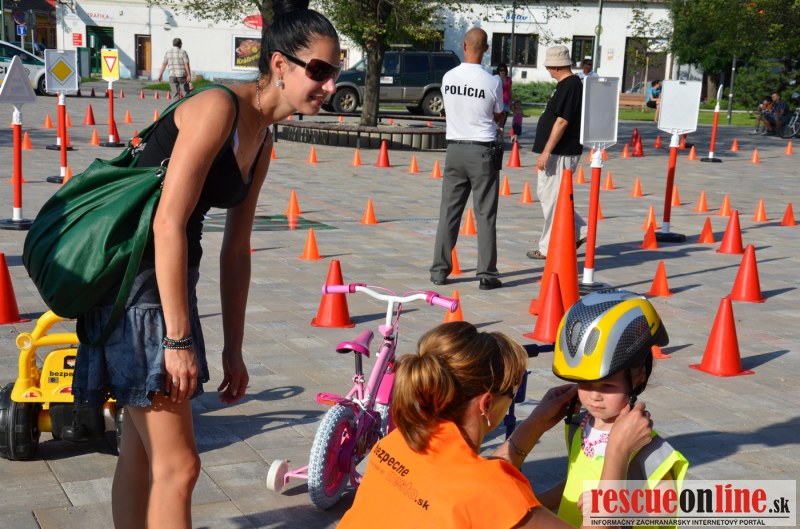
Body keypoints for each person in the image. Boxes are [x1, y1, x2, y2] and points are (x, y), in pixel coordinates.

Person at [71, 2, 340, 528]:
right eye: (319, 70)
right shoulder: (217, 107)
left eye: (334, 72)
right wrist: (177, 340)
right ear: (280, 64)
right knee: (180, 467)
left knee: (143, 453)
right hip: (135, 285)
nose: (329, 85)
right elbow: (167, 223)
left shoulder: (262, 139)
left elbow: (236, 249)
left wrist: (232, 348)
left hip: (169, 285)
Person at [337, 321, 655, 529]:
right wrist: (617, 452)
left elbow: (477, 493)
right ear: (486, 404)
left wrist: (534, 425)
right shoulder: (488, 491)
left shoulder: (396, 443)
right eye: (512, 394)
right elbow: (488, 496)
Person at [539, 290, 689, 527]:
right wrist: (535, 503)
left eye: (608, 386)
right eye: (586, 384)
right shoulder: (579, 426)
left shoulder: (641, 441)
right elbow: (575, 482)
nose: (595, 396)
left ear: (639, 377)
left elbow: (666, 505)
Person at [430, 28, 504, 290]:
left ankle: (439, 271)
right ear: (486, 49)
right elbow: (498, 114)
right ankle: (486, 274)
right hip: (482, 150)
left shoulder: (448, 77)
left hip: (454, 149)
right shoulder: (492, 81)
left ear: (464, 45)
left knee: (449, 212)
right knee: (485, 214)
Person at [527, 45, 587, 260]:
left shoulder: (571, 85)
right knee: (550, 196)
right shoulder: (566, 85)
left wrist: (546, 152)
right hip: (558, 151)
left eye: (548, 67)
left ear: (556, 66)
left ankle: (548, 247)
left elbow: (562, 121)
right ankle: (580, 230)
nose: (547, 70)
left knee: (551, 199)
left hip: (561, 152)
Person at [497, 63, 512, 129]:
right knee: (498, 121)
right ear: (498, 71)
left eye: (504, 70)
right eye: (501, 70)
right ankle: (497, 134)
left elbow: (510, 90)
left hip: (506, 102)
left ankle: (501, 133)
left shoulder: (509, 79)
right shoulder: (496, 79)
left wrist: (511, 101)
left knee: (504, 121)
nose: (502, 71)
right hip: (499, 102)